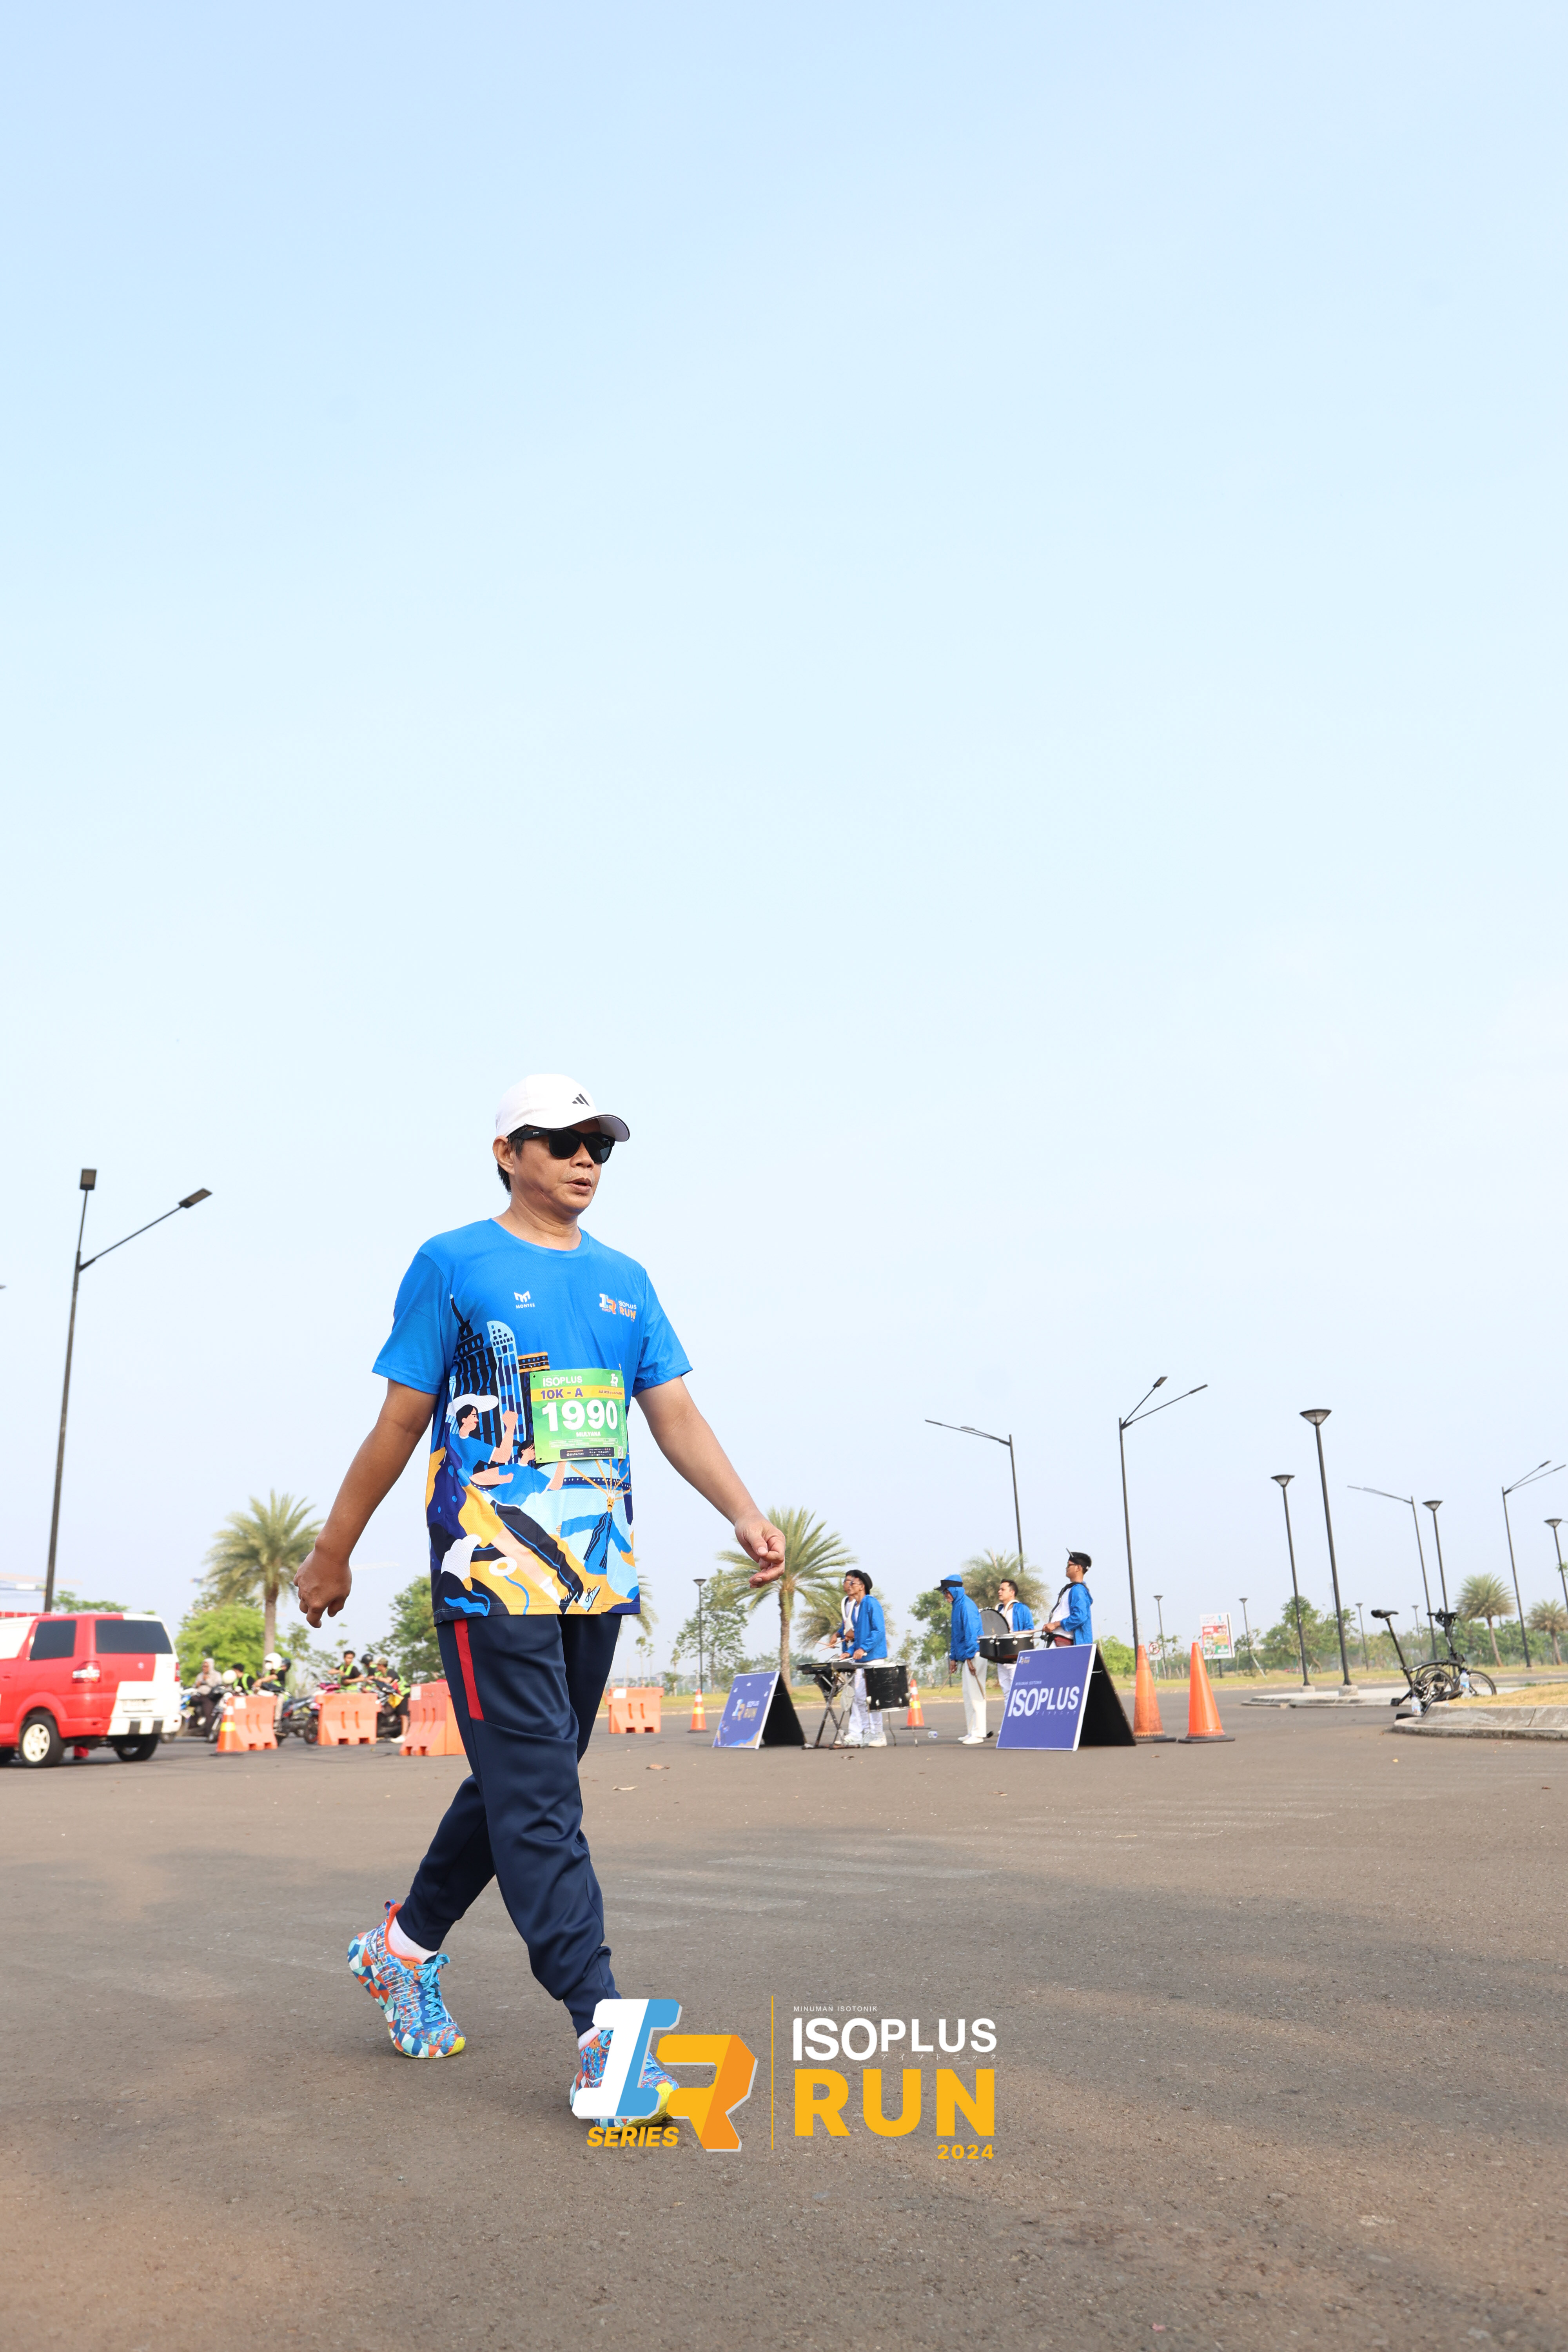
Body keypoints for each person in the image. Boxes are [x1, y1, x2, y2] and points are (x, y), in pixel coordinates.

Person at [294, 1071, 785, 2123]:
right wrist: (334, 1552)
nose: (585, 1159)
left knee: (526, 1782)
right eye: (562, 1141)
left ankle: (400, 1949)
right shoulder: (454, 1264)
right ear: (506, 1152)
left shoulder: (625, 1280)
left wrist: (743, 1510)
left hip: (593, 1578)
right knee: (543, 1800)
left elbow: (675, 1413)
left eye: (598, 1143)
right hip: (488, 1573)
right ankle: (603, 2034)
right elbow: (399, 1422)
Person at [835, 1569, 887, 1748]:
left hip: (874, 1659)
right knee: (859, 1698)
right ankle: (865, 1734)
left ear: (862, 1586)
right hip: (861, 1661)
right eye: (848, 1583)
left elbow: (879, 1631)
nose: (849, 1586)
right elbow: (858, 1636)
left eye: (853, 1583)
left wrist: (864, 1648)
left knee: (873, 1700)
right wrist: (850, 1652)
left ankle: (880, 1735)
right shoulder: (856, 1608)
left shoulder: (871, 1603)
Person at [939, 1573, 989, 1744]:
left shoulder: (967, 1606)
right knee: (968, 1695)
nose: (945, 1596)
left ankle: (979, 1733)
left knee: (976, 1695)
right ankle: (971, 1731)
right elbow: (956, 1636)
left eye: (946, 1592)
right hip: (967, 1657)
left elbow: (971, 1634)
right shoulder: (957, 1606)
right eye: (944, 1593)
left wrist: (969, 1657)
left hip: (975, 1655)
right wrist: (953, 1658)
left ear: (955, 1590)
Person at [993, 1576, 1035, 1706]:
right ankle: (1008, 1719)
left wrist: (1015, 1635)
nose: (999, 1592)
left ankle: (1020, 1718)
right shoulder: (998, 1610)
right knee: (1006, 1692)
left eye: (1003, 1589)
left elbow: (1030, 1630)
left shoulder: (1022, 1609)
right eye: (999, 1589)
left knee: (1018, 1691)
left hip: (1016, 1658)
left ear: (1012, 1592)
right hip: (1001, 1658)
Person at [1047, 1552, 1094, 1645]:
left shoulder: (1078, 1590)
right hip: (1060, 1641)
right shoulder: (1072, 1589)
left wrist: (1055, 1625)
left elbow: (1080, 1617)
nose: (1066, 1568)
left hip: (1067, 1643)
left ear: (1078, 1568)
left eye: (1069, 1565)